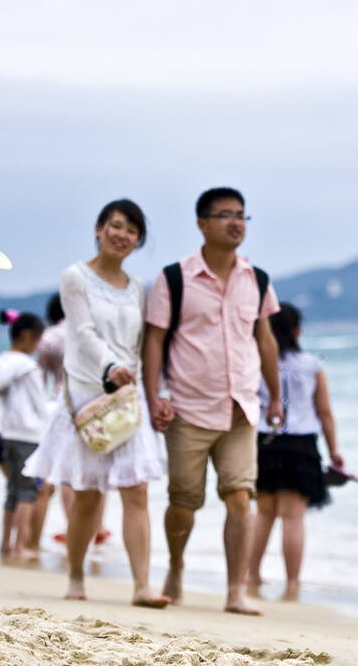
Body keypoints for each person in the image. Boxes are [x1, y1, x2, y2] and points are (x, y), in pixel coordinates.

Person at [142, 187, 282, 616]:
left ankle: (235, 592)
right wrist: (153, 397)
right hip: (188, 409)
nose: (235, 222)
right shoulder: (175, 278)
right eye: (224, 215)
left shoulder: (256, 279)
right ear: (202, 224)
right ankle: (176, 567)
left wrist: (275, 395)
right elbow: (155, 340)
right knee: (184, 504)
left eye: (241, 215)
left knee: (241, 498)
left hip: (242, 408)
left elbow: (265, 339)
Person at [23, 199, 168, 606]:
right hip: (88, 396)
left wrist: (151, 391)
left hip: (127, 398)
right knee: (86, 494)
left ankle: (142, 586)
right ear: (100, 229)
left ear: (138, 241)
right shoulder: (76, 277)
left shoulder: (138, 287)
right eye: (116, 226)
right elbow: (81, 333)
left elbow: (141, 345)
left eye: (132, 231)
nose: (122, 235)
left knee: (136, 490)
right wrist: (110, 367)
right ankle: (75, 577)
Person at [245, 302, 343, 602]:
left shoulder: (256, 361)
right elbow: (324, 411)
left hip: (264, 440)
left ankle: (252, 575)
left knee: (262, 513)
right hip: (301, 445)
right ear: (298, 330)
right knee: (293, 518)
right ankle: (292, 583)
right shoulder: (312, 364)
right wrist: (335, 450)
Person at [35, 293, 112, 549]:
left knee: (69, 473)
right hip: (98, 407)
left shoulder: (49, 338)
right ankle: (98, 528)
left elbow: (40, 380)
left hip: (64, 406)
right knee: (98, 470)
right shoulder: (94, 333)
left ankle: (74, 528)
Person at [0, 310, 48, 562]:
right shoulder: (29, 366)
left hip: (6, 433)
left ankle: (5, 544)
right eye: (37, 341)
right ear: (27, 337)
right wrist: (47, 433)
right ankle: (19, 545)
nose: (36, 347)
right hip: (29, 436)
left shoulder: (2, 360)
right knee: (28, 492)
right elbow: (40, 404)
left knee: (12, 489)